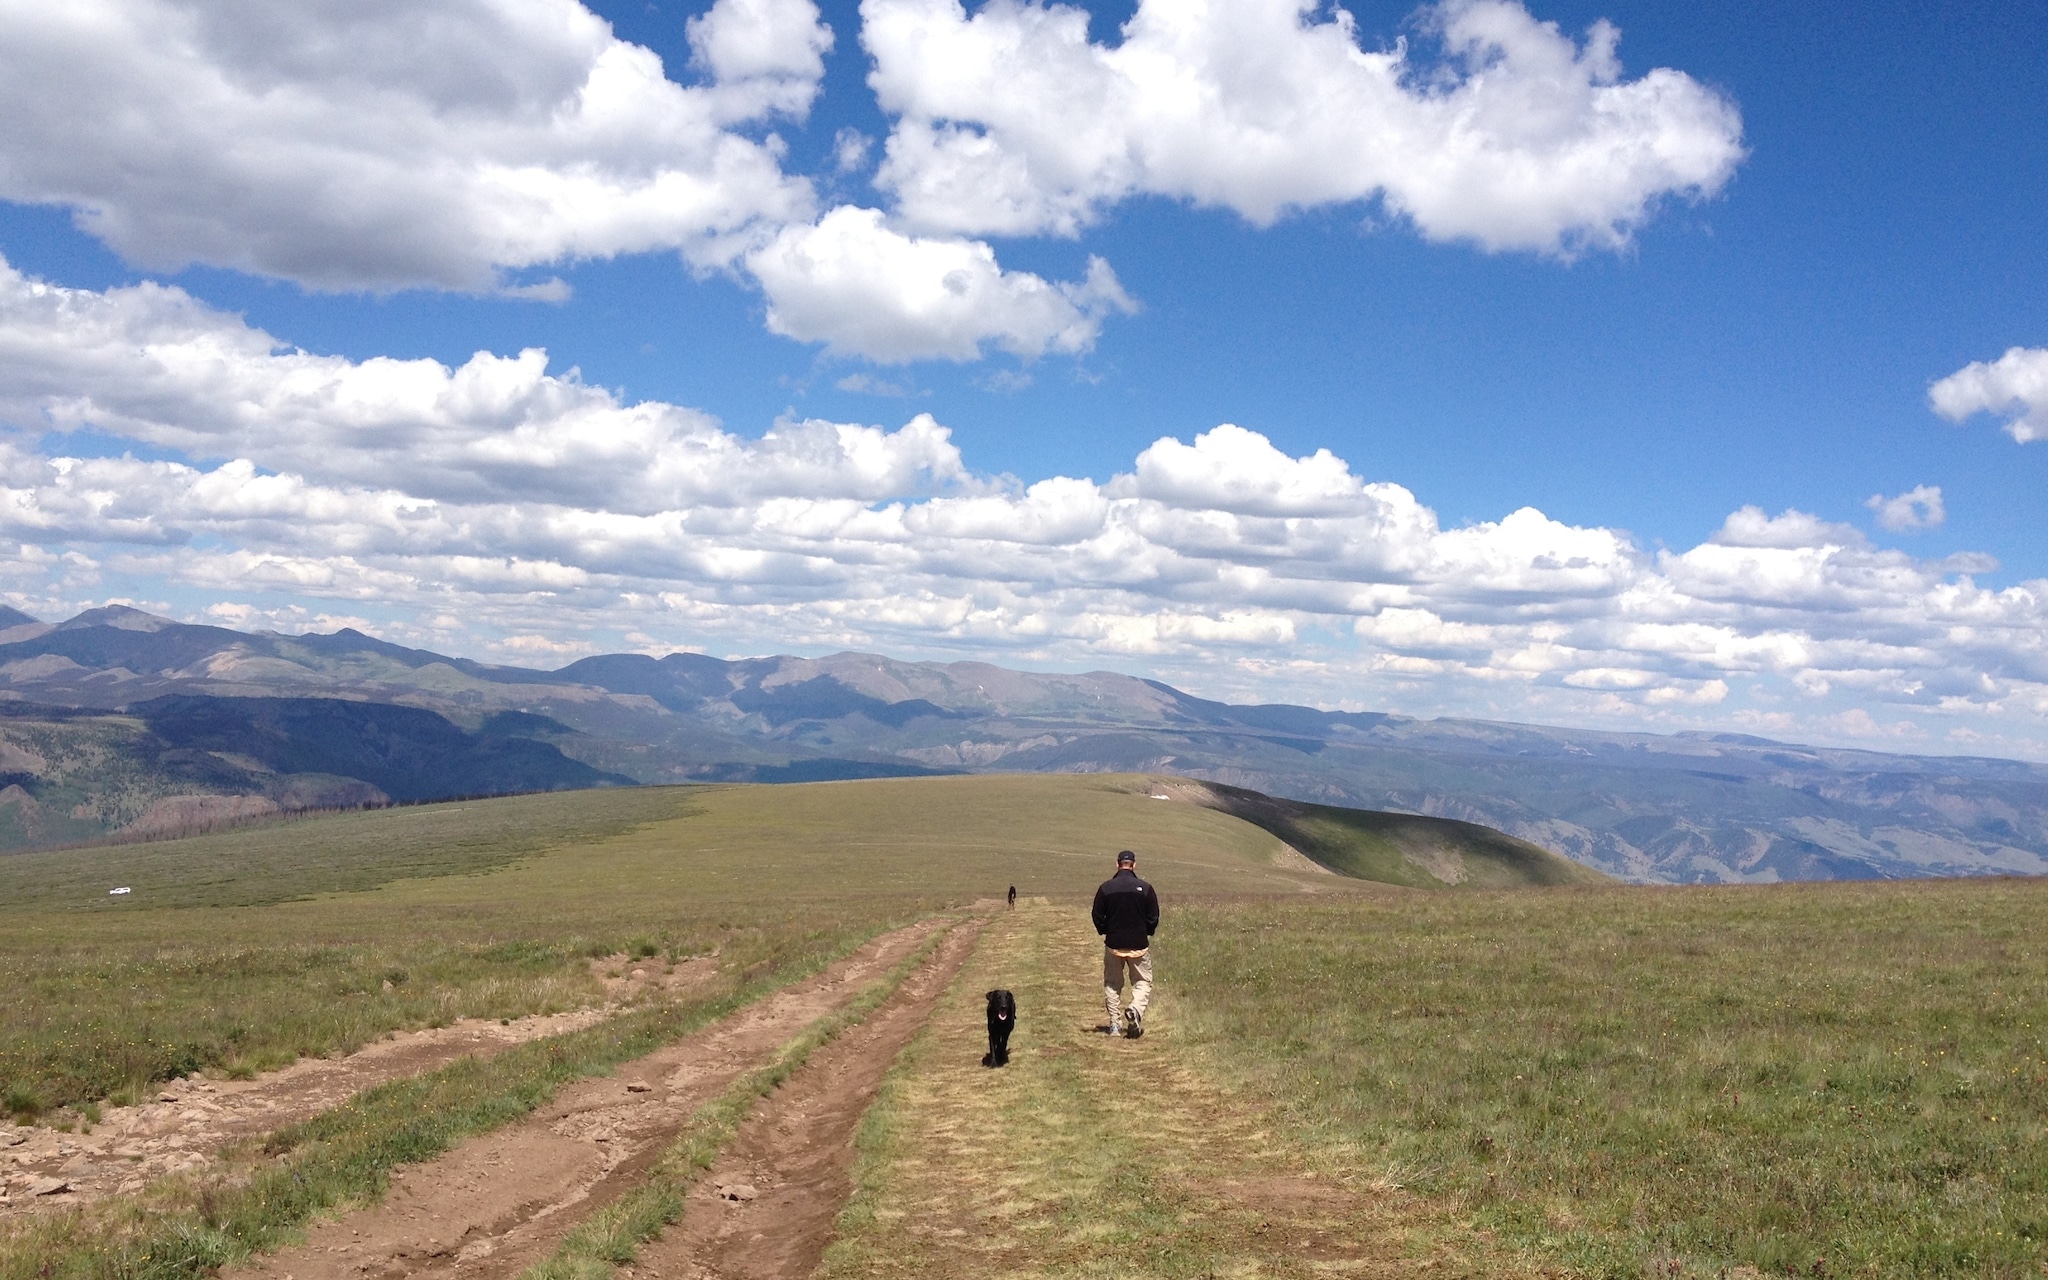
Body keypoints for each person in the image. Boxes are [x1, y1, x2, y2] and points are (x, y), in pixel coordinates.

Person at [1091, 849, 1159, 1038]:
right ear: (1134, 865)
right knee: (1142, 982)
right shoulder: (1145, 888)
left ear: (1117, 864)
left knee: (1112, 984)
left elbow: (1096, 915)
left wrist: (1105, 930)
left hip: (1114, 944)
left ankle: (1114, 1025)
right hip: (1138, 944)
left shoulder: (1106, 888)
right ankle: (1135, 1010)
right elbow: (1153, 916)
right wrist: (1147, 931)